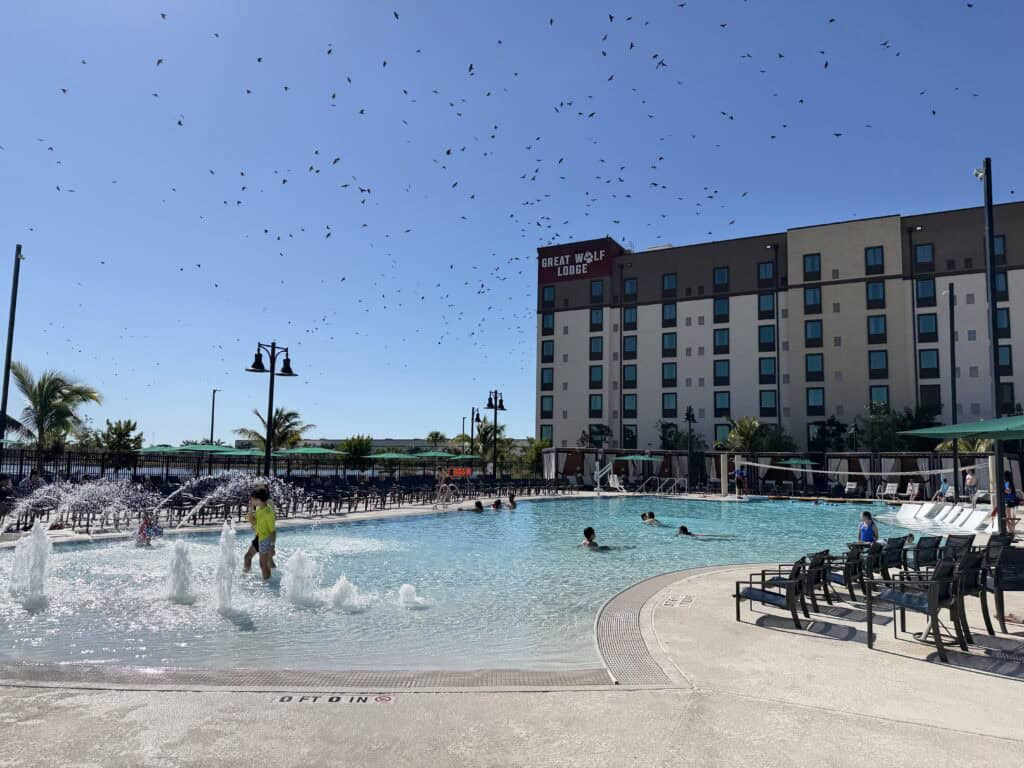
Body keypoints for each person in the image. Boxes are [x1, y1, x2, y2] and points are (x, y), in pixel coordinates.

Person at [243, 487, 276, 580]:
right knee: (247, 557)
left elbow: (273, 531)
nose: (251, 500)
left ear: (258, 500)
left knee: (263, 565)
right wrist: (250, 509)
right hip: (259, 537)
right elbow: (253, 521)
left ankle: (268, 585)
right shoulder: (259, 509)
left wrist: (272, 547)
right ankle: (245, 577)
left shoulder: (269, 513)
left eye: (252, 498)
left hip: (265, 539)